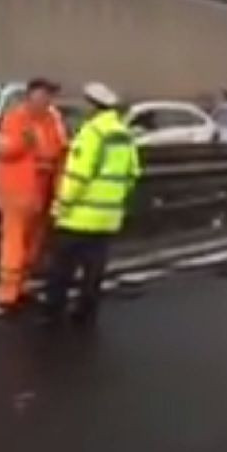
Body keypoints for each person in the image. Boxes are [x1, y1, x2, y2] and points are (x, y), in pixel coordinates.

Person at [41, 83, 141, 326]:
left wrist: (61, 206)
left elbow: (77, 176)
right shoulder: (124, 134)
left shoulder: (91, 134)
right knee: (94, 270)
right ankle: (86, 313)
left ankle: (54, 312)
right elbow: (133, 173)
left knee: (61, 268)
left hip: (79, 215)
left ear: (92, 107)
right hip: (107, 217)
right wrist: (112, 200)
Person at [0, 78, 68, 312]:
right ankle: (8, 292)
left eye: (49, 96)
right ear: (30, 96)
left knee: (34, 242)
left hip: (43, 188)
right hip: (17, 189)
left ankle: (22, 285)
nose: (46, 101)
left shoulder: (52, 120)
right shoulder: (14, 118)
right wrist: (24, 142)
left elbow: (60, 149)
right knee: (14, 241)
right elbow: (4, 150)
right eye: (42, 96)